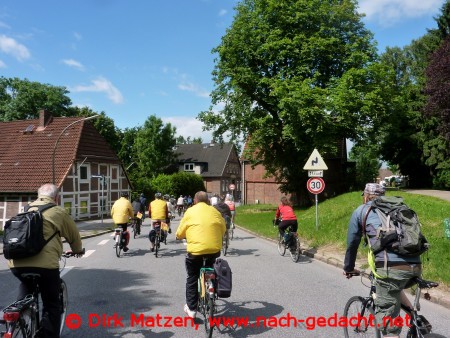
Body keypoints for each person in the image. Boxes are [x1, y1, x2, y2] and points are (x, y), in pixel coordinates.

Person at [343, 183, 421, 338]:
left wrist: (348, 267)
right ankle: (417, 319)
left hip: (390, 269)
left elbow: (352, 243)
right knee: (393, 287)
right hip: (415, 265)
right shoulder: (398, 208)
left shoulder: (362, 210)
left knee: (389, 329)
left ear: (365, 196)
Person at [7, 183, 83, 338]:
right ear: (56, 198)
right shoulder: (58, 211)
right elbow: (74, 236)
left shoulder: (26, 209)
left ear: (38, 195)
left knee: (26, 285)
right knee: (51, 304)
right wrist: (77, 250)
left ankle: (18, 316)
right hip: (46, 267)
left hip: (16, 264)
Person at [176, 191, 226, 319]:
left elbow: (180, 233)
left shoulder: (190, 212)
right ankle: (211, 287)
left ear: (195, 200)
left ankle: (192, 309)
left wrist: (179, 237)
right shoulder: (215, 211)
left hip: (195, 252)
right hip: (213, 251)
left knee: (192, 277)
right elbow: (223, 228)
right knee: (211, 268)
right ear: (207, 200)